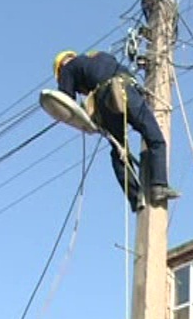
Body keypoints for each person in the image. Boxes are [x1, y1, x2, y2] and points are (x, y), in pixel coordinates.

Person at [53, 49, 180, 211]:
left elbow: (65, 100)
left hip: (106, 99)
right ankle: (159, 186)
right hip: (127, 89)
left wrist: (83, 118)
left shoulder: (67, 68)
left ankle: (135, 197)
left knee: (119, 149)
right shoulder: (102, 57)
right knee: (155, 138)